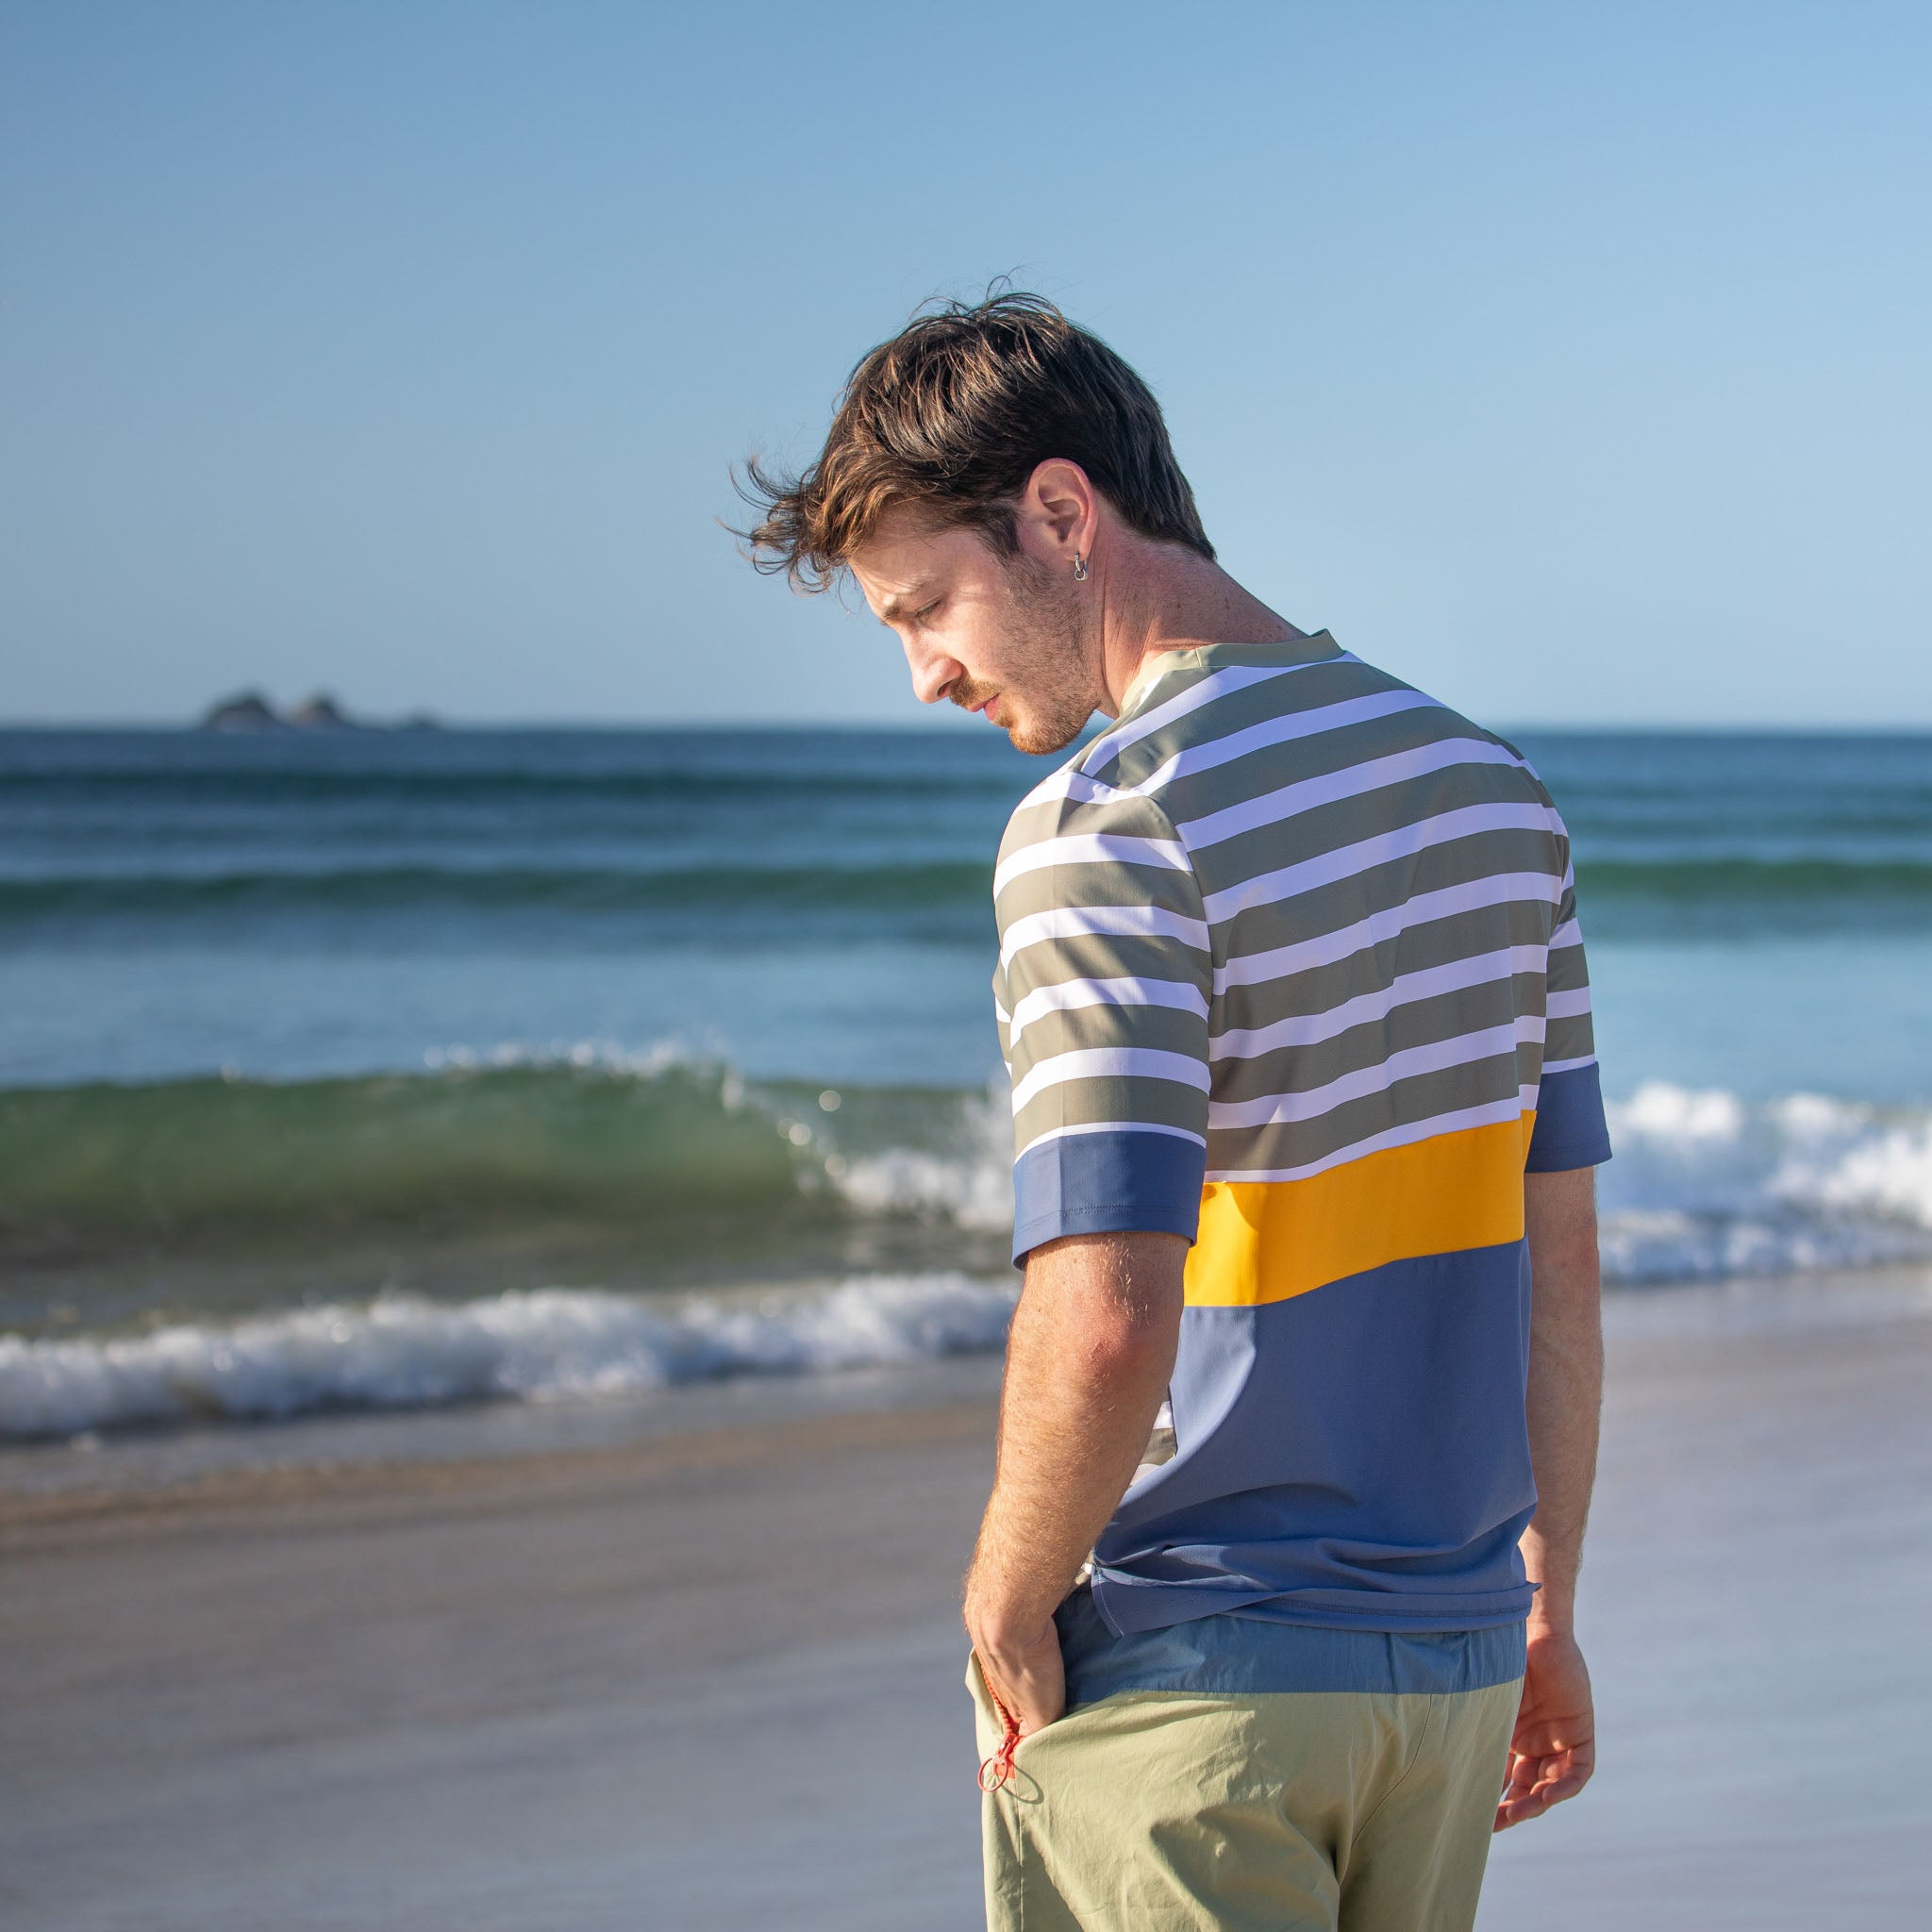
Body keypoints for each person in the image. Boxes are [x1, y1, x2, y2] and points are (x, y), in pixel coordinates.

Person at [741, 291, 1609, 1932]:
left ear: (1062, 515)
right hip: (1450, 1679)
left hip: (1191, 1690)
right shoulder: (1496, 793)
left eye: (927, 606)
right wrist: (1544, 1608)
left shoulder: (1104, 824)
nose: (926, 675)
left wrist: (1002, 1601)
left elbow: (1105, 1315)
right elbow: (1553, 1269)